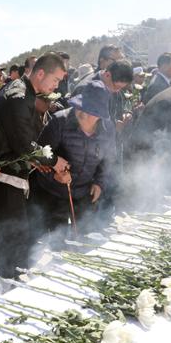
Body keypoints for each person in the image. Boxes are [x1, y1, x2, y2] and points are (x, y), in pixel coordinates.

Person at [0, 52, 66, 280]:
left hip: (7, 172)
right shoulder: (19, 96)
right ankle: (8, 280)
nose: (56, 86)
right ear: (40, 73)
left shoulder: (24, 91)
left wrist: (38, 159)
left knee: (16, 229)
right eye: (55, 80)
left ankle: (11, 275)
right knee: (12, 230)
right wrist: (54, 161)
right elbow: (23, 144)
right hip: (1, 175)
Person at [30, 80, 116, 241]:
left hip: (85, 191)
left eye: (90, 112)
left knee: (85, 238)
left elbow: (109, 161)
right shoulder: (59, 121)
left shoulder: (107, 129)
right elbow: (39, 155)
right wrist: (55, 175)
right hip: (53, 192)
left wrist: (99, 183)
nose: (82, 114)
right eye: (81, 108)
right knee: (55, 240)